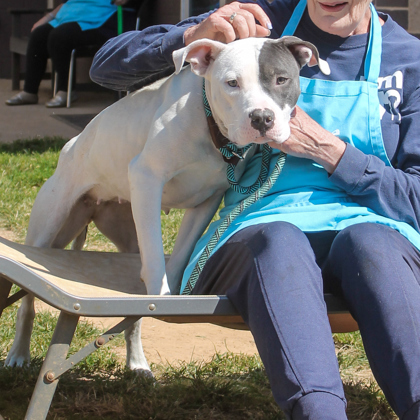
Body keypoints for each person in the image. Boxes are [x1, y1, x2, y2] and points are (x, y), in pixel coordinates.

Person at [90, 1, 420, 418]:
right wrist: (191, 36)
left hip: (372, 227)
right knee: (278, 241)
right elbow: (106, 68)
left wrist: (333, 153)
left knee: (373, 245)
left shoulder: (409, 60)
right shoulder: (260, 21)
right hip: (258, 227)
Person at [6, 0, 142, 108]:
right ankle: (29, 92)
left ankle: (65, 91)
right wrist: (48, 17)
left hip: (104, 20)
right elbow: (67, 3)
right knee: (39, 34)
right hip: (73, 15)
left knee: (59, 36)